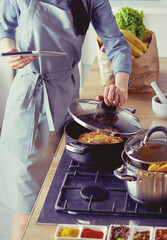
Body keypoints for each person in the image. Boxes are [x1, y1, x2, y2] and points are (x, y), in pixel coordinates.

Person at [0, 0, 131, 239]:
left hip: (67, 103)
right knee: (27, 212)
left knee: (62, 198)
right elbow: (4, 28)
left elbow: (115, 42)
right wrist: (8, 48)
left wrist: (121, 85)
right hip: (29, 104)